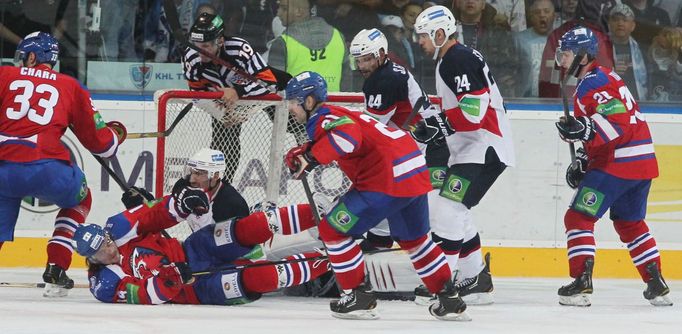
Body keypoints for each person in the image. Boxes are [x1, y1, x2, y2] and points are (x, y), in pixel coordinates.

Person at [283, 71, 469, 321]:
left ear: (308, 101)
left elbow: (347, 138)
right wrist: (309, 152)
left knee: (332, 231)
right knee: (416, 241)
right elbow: (349, 138)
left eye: (294, 102)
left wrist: (309, 157)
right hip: (413, 172)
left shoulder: (322, 117)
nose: (291, 108)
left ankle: (358, 296)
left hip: (386, 179)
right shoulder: (337, 114)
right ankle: (449, 299)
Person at [0, 32, 127, 297]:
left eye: (23, 56)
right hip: (47, 169)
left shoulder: (4, 76)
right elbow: (103, 145)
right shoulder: (69, 86)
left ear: (32, 57)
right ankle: (56, 268)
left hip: (3, 170)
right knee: (80, 199)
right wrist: (116, 133)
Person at [554, 27, 672, 307]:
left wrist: (583, 128)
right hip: (641, 164)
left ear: (583, 56)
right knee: (630, 223)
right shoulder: (605, 76)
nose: (561, 60)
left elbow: (617, 122)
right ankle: (656, 283)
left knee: (578, 218)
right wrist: (584, 157)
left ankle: (582, 284)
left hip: (618, 164)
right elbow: (609, 126)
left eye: (567, 54)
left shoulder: (591, 83)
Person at [73, 177, 329, 305]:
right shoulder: (104, 283)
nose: (108, 248)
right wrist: (170, 278)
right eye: (100, 250)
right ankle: (332, 260)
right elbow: (144, 295)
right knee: (261, 278)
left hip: (195, 247)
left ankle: (320, 215)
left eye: (105, 241)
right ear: (91, 259)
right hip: (194, 290)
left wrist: (179, 204)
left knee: (247, 228)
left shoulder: (118, 229)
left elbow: (153, 215)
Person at [411, 5, 515, 305]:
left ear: (440, 33)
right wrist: (438, 124)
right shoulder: (453, 58)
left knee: (447, 210)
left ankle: (442, 282)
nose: (420, 42)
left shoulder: (457, 58)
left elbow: (474, 111)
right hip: (474, 147)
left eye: (424, 36)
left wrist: (439, 124)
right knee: (457, 211)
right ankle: (476, 279)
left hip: (484, 147)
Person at [181, 12, 291, 183]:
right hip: (225, 102)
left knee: (293, 124)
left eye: (206, 46)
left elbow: (269, 83)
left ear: (220, 41)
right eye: (197, 45)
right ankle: (222, 185)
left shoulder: (239, 49)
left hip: (265, 92)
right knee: (223, 142)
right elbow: (196, 93)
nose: (200, 51)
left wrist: (238, 91)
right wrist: (222, 115)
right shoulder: (191, 57)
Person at [268, 0, 350, 92]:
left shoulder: (282, 43)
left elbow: (273, 88)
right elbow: (347, 85)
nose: (278, 13)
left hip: (296, 104)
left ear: (299, 11)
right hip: (333, 104)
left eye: (284, 9)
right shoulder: (338, 36)